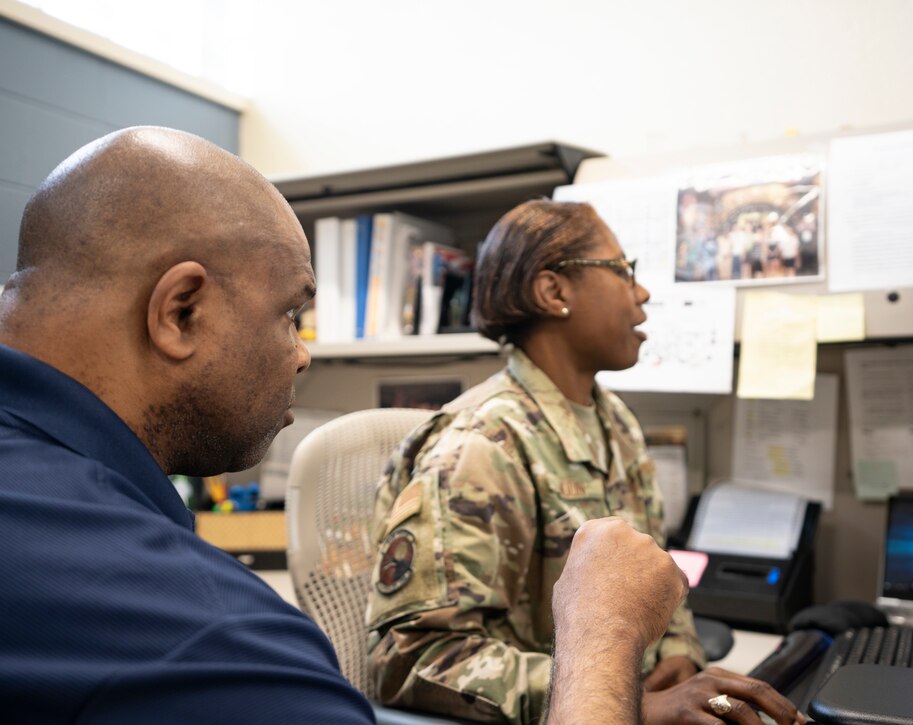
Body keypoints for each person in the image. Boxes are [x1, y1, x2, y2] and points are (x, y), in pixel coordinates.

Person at [0, 127, 688, 724]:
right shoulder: (214, 638)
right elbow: (420, 659)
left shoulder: (618, 428)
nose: (303, 352)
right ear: (181, 312)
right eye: (291, 314)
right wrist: (607, 652)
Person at [366, 199, 805, 725]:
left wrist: (679, 654)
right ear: (554, 292)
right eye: (622, 272)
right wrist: (631, 702)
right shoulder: (481, 447)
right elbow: (411, 659)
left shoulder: (615, 423)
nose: (641, 294)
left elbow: (656, 573)